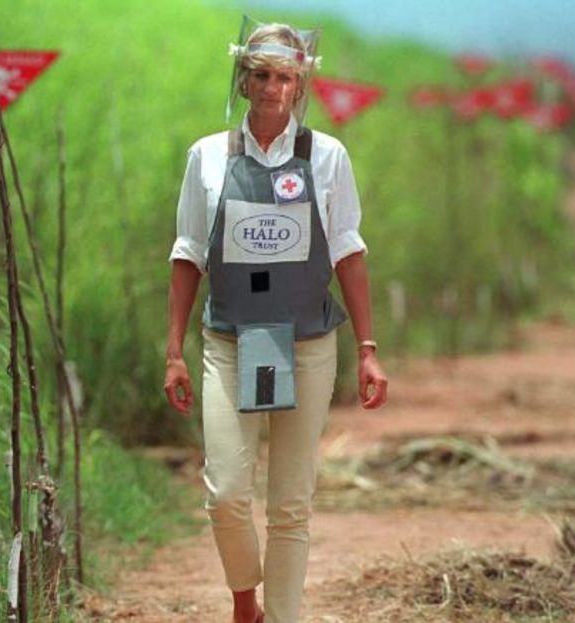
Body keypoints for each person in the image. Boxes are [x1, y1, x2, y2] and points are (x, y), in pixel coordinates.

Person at [162, 21, 389, 623]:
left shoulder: (328, 157)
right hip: (230, 343)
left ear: (300, 84)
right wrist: (173, 351)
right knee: (227, 493)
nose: (271, 88)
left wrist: (367, 348)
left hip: (307, 344)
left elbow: (348, 251)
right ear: (243, 80)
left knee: (291, 504)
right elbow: (188, 254)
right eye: (260, 75)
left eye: (284, 76)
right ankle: (245, 600)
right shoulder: (207, 156)